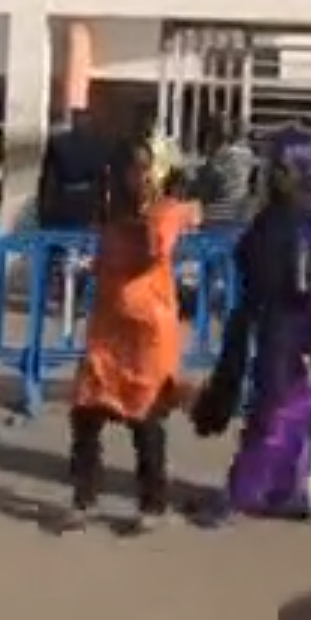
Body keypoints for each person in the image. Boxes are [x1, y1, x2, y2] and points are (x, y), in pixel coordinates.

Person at [195, 158, 311, 519]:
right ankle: (284, 491)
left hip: (297, 328)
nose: (276, 178)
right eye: (274, 172)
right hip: (268, 324)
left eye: (285, 171)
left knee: (276, 411)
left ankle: (241, 494)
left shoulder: (310, 227)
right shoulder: (265, 221)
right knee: (283, 409)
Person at [59, 140, 193, 534]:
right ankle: (84, 497)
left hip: (147, 335)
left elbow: (157, 248)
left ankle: (152, 503)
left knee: (145, 420)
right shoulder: (110, 212)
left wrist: (158, 209)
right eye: (129, 168)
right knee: (85, 412)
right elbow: (105, 260)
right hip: (108, 332)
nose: (134, 175)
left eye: (142, 167)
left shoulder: (163, 212)